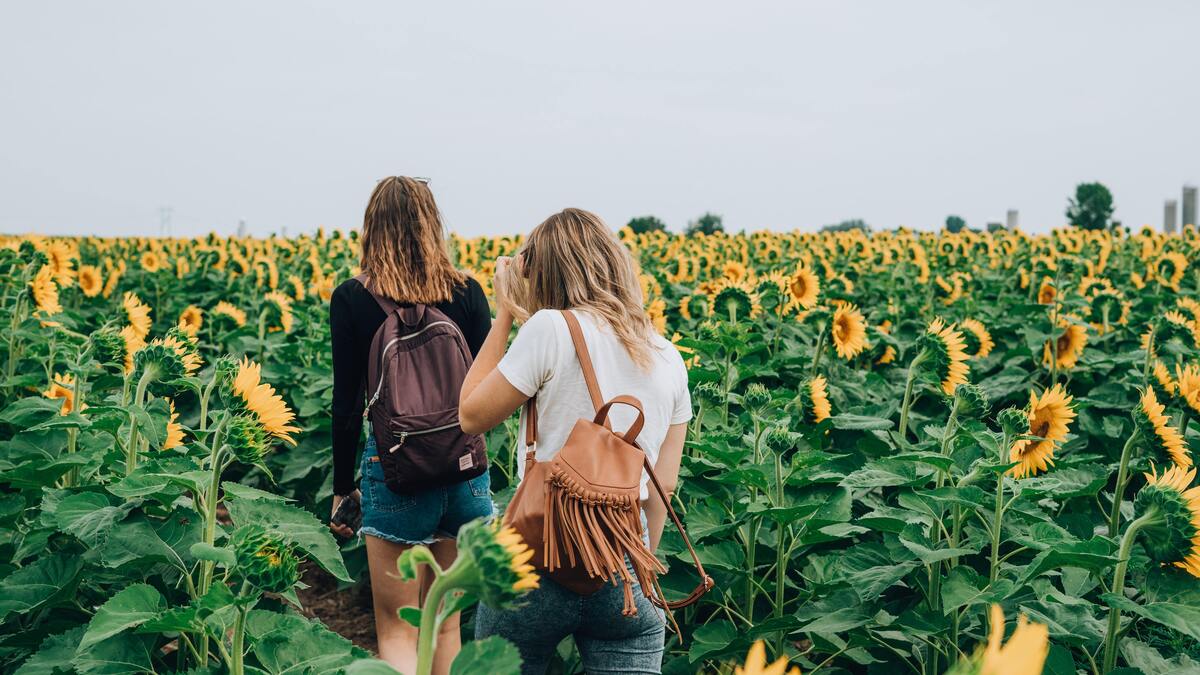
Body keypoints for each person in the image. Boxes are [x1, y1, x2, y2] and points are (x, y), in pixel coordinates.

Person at [459, 208, 692, 674]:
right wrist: (630, 558)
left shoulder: (549, 328)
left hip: (536, 559)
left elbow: (470, 414)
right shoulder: (667, 354)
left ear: (541, 272)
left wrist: (505, 310)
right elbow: (662, 485)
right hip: (624, 568)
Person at [329, 176, 492, 674]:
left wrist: (342, 490)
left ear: (370, 229)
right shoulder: (466, 292)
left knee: (398, 629)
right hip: (463, 469)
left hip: (396, 471)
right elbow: (489, 386)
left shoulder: (353, 298)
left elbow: (346, 404)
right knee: (445, 624)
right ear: (432, 224)